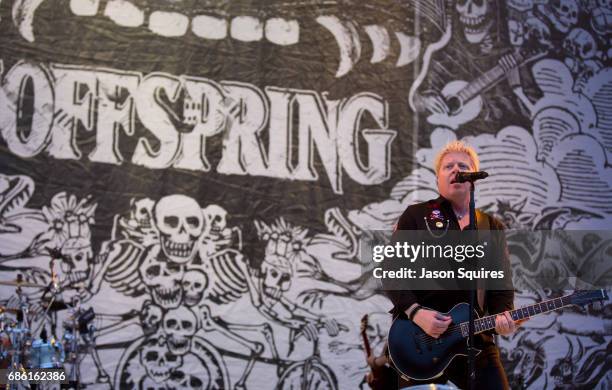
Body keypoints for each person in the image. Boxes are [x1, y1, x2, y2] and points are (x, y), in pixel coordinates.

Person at [385, 140, 519, 390]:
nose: (456, 169)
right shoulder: (416, 216)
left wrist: (504, 315)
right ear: (438, 178)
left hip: (476, 341)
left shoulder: (491, 227)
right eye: (448, 166)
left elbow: (501, 285)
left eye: (462, 165)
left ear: (473, 178)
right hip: (420, 340)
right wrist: (416, 312)